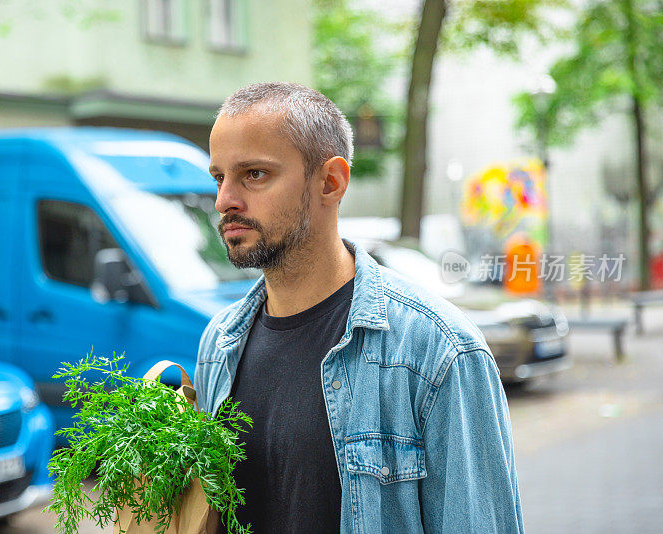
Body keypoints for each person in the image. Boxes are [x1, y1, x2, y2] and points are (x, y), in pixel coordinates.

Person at [195, 82, 523, 534]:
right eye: (219, 177)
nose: (224, 200)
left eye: (254, 174)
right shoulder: (219, 342)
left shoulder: (437, 351)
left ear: (330, 182)